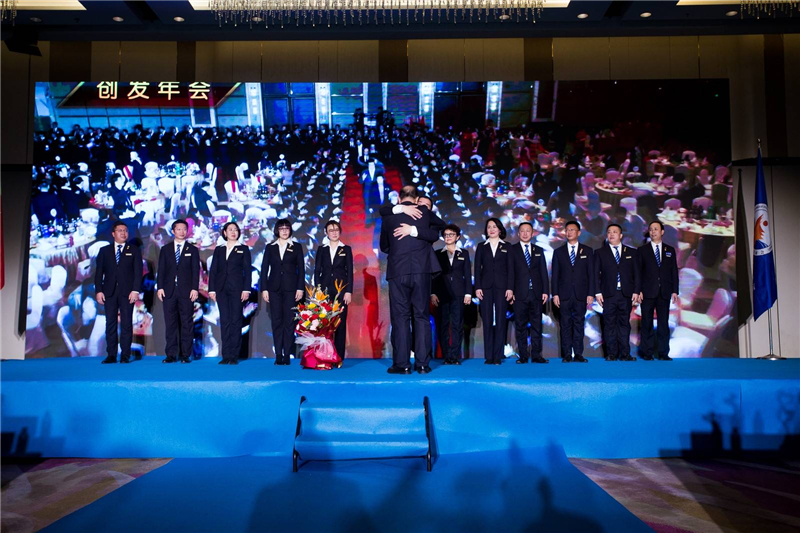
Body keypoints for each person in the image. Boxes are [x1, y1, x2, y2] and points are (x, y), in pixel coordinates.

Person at [380, 185, 441, 375]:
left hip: (398, 271)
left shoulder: (389, 217)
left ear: (399, 198)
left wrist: (411, 230)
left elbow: (384, 246)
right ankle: (422, 364)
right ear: (416, 199)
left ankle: (403, 364)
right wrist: (417, 232)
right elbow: (440, 227)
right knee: (422, 317)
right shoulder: (424, 213)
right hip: (421, 271)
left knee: (400, 318)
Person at [95, 220, 143, 364]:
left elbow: (138, 273)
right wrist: (99, 291)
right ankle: (111, 354)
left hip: (127, 293)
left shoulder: (134, 250)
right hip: (109, 292)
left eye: (125, 231)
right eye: (120, 230)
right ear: (113, 233)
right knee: (110, 323)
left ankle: (125, 355)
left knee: (126, 323)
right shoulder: (104, 251)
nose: (123, 233)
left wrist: (135, 290)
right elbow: (99, 273)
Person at [260, 219, 305, 366]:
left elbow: (301, 269)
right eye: (281, 228)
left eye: (287, 228)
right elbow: (264, 269)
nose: (284, 231)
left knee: (289, 322)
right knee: (277, 321)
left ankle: (287, 354)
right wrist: (264, 289)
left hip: (291, 289)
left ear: (290, 230)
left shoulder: (296, 247)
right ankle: (278, 354)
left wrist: (300, 288)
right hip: (274, 289)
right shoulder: (270, 247)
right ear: (277, 230)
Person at [595, 224, 642, 362]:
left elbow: (637, 274)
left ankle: (625, 353)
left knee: (624, 324)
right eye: (609, 232)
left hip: (626, 294)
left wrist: (636, 291)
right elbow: (595, 274)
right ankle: (611, 353)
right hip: (608, 294)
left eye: (615, 232)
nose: (611, 234)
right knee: (609, 324)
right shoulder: (600, 253)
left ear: (621, 235)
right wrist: (597, 292)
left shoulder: (631, 252)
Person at [156, 219, 200, 364]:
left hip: (186, 291)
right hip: (169, 291)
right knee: (170, 323)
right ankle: (171, 354)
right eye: (179, 229)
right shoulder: (166, 249)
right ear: (173, 231)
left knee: (187, 323)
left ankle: (186, 354)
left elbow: (195, 271)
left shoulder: (192, 250)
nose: (182, 232)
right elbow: (161, 270)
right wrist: (160, 287)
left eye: (184, 229)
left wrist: (194, 288)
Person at [208, 222, 252, 365]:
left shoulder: (243, 249)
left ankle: (233, 355)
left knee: (235, 321)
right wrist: (212, 289)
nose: (233, 232)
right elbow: (214, 271)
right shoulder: (219, 249)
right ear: (225, 233)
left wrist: (246, 289)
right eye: (230, 230)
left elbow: (247, 271)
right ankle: (225, 354)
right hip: (221, 289)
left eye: (236, 230)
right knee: (225, 321)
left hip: (237, 289)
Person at [552, 221, 595, 363]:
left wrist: (590, 293)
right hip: (563, 294)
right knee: (565, 324)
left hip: (581, 293)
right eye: (567, 230)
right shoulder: (558, 252)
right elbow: (555, 275)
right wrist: (555, 294)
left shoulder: (587, 251)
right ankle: (566, 354)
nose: (569, 232)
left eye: (572, 229)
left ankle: (578, 353)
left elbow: (591, 274)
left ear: (579, 233)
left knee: (579, 323)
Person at [474, 218, 515, 365]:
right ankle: (489, 356)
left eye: (494, 227)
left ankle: (498, 355)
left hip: (502, 287)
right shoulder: (481, 246)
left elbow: (511, 269)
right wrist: (477, 287)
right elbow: (477, 269)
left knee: (501, 321)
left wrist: (510, 288)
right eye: (489, 227)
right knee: (487, 320)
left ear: (500, 229)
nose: (491, 229)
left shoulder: (507, 246)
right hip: (485, 287)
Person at [431, 224, 472, 365]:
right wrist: (433, 293)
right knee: (443, 324)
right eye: (446, 235)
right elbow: (434, 276)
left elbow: (467, 275)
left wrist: (468, 293)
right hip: (442, 293)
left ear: (458, 237)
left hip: (459, 293)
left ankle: (454, 356)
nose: (448, 237)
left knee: (457, 325)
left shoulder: (464, 253)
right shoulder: (437, 253)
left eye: (451, 234)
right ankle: (446, 355)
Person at [313, 220, 353, 361]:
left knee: (340, 323)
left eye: (336, 230)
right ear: (326, 233)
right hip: (324, 291)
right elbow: (317, 271)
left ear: (340, 231)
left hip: (341, 291)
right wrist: (318, 290)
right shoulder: (322, 249)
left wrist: (348, 291)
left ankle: (338, 357)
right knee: (325, 324)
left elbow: (349, 272)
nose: (334, 233)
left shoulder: (346, 249)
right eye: (331, 230)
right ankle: (325, 355)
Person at [510, 222, 549, 364]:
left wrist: (545, 291)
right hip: (519, 293)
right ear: (518, 233)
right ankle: (523, 356)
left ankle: (537, 355)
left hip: (536, 293)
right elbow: (510, 272)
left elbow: (543, 272)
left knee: (536, 325)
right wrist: (511, 290)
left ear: (532, 233)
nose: (525, 233)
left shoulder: (538, 250)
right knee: (520, 326)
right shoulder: (512, 250)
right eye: (522, 231)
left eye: (528, 231)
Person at [639, 221, 679, 361]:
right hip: (647, 292)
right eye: (651, 229)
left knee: (663, 323)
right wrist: (638, 290)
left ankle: (663, 353)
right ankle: (647, 353)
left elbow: (674, 271)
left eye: (656, 229)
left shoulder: (670, 250)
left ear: (662, 232)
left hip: (664, 292)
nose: (653, 232)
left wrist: (675, 290)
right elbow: (638, 272)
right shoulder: (642, 250)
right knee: (646, 323)